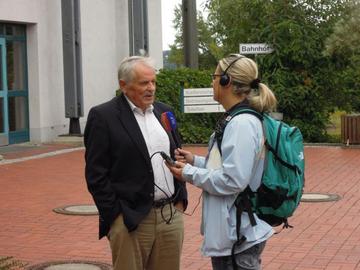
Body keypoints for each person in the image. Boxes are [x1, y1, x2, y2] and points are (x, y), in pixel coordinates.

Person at [167, 54, 276, 270]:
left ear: (226, 81)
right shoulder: (236, 119)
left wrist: (189, 173)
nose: (211, 82)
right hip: (233, 233)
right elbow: (227, 166)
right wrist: (195, 162)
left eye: (215, 76)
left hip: (238, 238)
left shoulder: (241, 124)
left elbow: (233, 180)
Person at [84, 56, 187, 270]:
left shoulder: (164, 111)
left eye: (153, 82)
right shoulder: (103, 116)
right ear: (123, 85)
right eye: (144, 83)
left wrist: (180, 200)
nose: (151, 88)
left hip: (170, 215)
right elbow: (96, 174)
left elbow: (177, 155)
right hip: (130, 219)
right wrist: (116, 217)